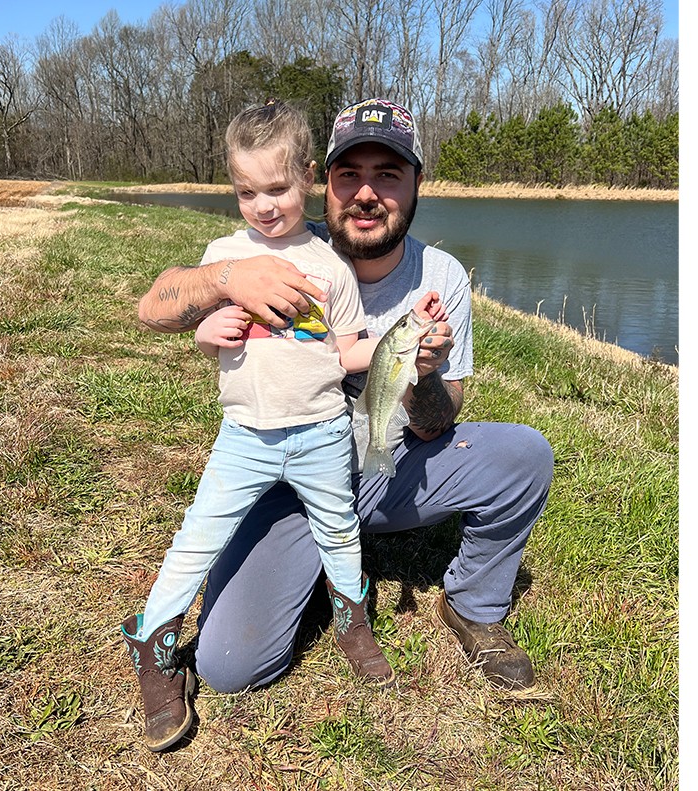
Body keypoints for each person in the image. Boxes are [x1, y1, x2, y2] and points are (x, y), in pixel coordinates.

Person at [137, 98, 554, 704]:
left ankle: (472, 606)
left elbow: (437, 421)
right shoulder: (256, 254)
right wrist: (228, 281)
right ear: (324, 182)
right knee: (229, 664)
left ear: (415, 186)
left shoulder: (440, 276)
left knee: (523, 454)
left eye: (388, 174)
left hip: (380, 459)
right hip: (276, 466)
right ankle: (290, 568)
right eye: (350, 174)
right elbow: (154, 309)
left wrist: (423, 372)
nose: (366, 192)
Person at [121, 100, 446, 752]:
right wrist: (204, 335)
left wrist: (403, 342)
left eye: (275, 188)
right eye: (246, 191)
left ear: (305, 177)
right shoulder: (223, 254)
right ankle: (153, 646)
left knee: (337, 530)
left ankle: (353, 622)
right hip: (244, 436)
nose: (263, 205)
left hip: (324, 432)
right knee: (197, 539)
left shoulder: (330, 267)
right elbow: (199, 333)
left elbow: (347, 352)